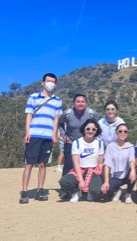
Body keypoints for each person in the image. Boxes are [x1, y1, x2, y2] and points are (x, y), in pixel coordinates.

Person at [19, 73, 63, 204]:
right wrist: (27, 133)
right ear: (42, 83)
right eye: (48, 81)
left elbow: (56, 119)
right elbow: (29, 115)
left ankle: (40, 190)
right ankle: (24, 192)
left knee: (43, 164)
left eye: (53, 81)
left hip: (47, 136)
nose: (50, 83)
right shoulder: (33, 97)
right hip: (34, 134)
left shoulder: (58, 100)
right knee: (29, 164)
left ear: (55, 84)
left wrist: (54, 135)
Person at [59, 119, 104, 203]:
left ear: (96, 131)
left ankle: (90, 192)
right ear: (84, 129)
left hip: (93, 171)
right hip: (80, 170)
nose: (90, 131)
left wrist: (102, 179)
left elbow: (100, 163)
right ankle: (76, 192)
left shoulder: (99, 143)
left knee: (96, 191)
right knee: (64, 181)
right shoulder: (77, 143)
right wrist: (81, 180)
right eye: (88, 129)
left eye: (93, 129)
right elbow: (76, 163)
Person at [58, 94, 100, 176]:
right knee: (69, 164)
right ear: (74, 103)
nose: (80, 104)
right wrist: (64, 136)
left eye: (82, 102)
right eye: (78, 102)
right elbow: (60, 124)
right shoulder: (67, 113)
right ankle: (66, 186)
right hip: (71, 142)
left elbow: (99, 124)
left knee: (85, 164)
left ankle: (84, 184)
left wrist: (94, 137)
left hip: (87, 144)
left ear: (86, 103)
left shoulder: (92, 113)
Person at [101, 124, 136, 204]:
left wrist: (133, 170)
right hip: (115, 176)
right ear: (116, 133)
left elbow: (132, 160)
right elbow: (107, 164)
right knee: (105, 193)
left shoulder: (130, 147)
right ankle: (117, 190)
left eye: (125, 131)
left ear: (127, 134)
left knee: (134, 171)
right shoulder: (111, 146)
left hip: (126, 175)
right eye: (120, 131)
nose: (122, 133)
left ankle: (128, 194)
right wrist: (106, 181)